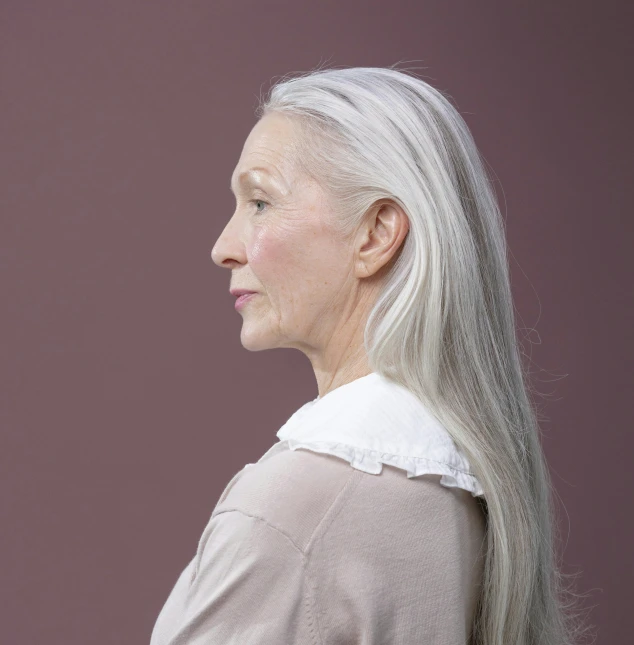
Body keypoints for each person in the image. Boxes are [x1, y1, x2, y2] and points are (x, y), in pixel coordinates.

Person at [150, 66, 589, 645]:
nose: (223, 248)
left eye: (259, 202)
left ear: (376, 234)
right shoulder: (462, 488)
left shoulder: (294, 507)